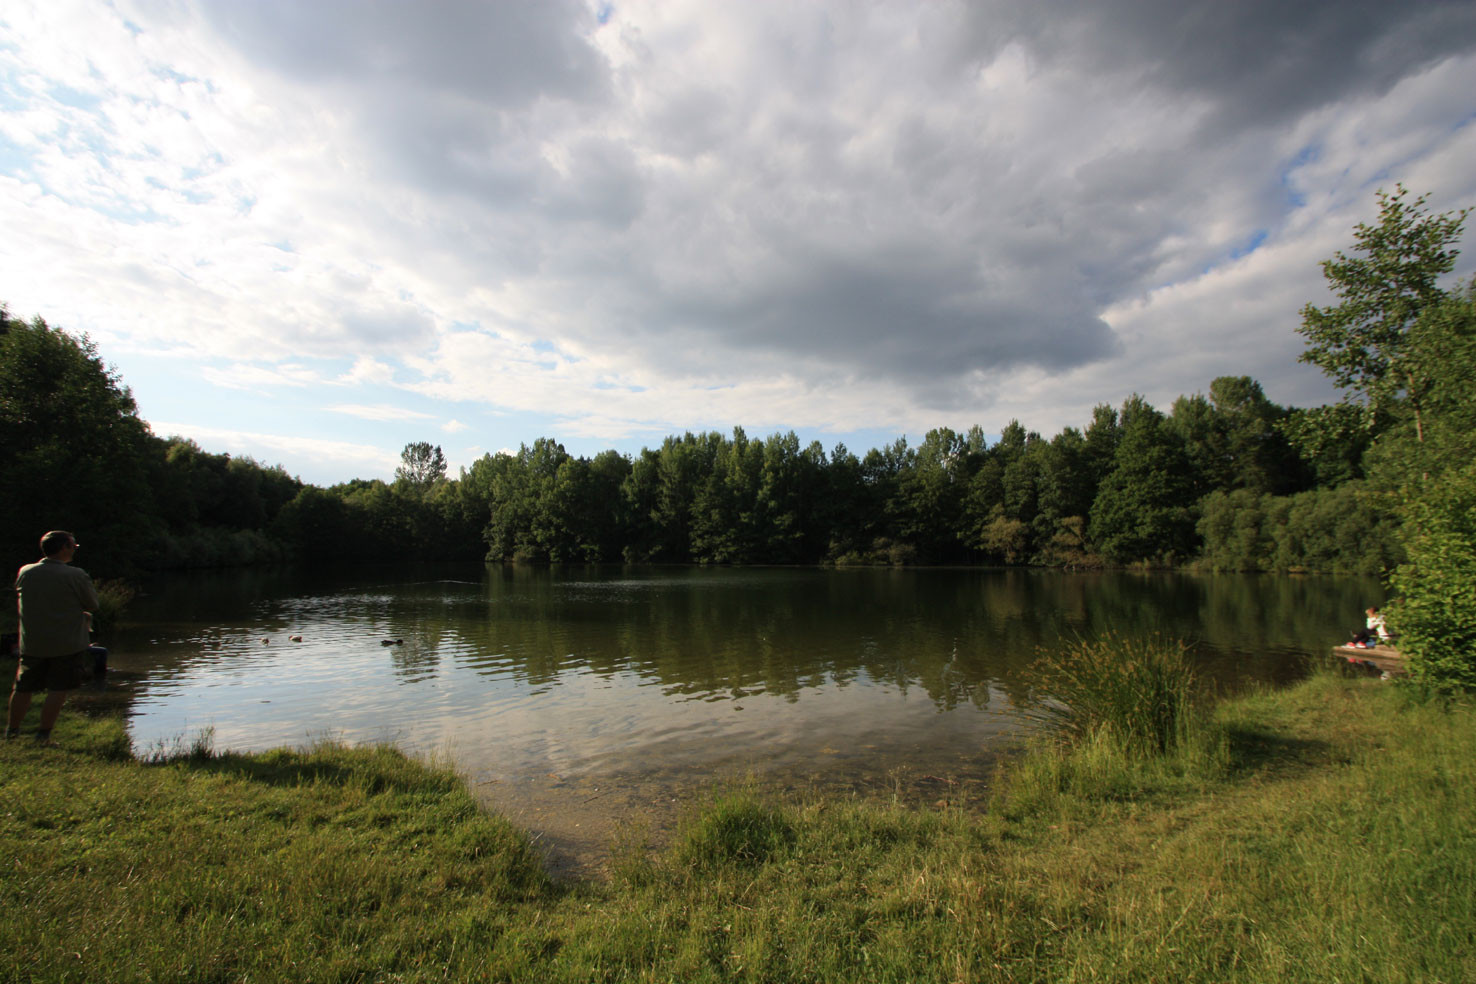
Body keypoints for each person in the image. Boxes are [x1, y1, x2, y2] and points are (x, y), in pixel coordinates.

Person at [8, 531, 99, 743]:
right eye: (73, 546)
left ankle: (12, 732)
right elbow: (93, 605)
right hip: (66, 643)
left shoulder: (26, 571)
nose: (75, 549)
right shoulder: (75, 575)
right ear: (64, 548)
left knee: (23, 687)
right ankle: (43, 735)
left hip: (32, 642)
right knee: (59, 688)